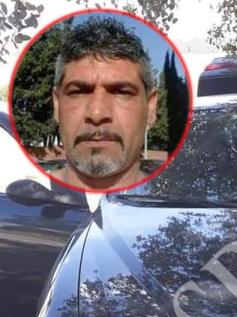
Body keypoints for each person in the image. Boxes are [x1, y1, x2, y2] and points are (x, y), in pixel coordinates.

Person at [50, 17, 157, 191]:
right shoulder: (15, 204)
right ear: (57, 104)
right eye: (78, 92)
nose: (97, 113)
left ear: (151, 107)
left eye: (121, 92)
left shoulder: (184, 208)